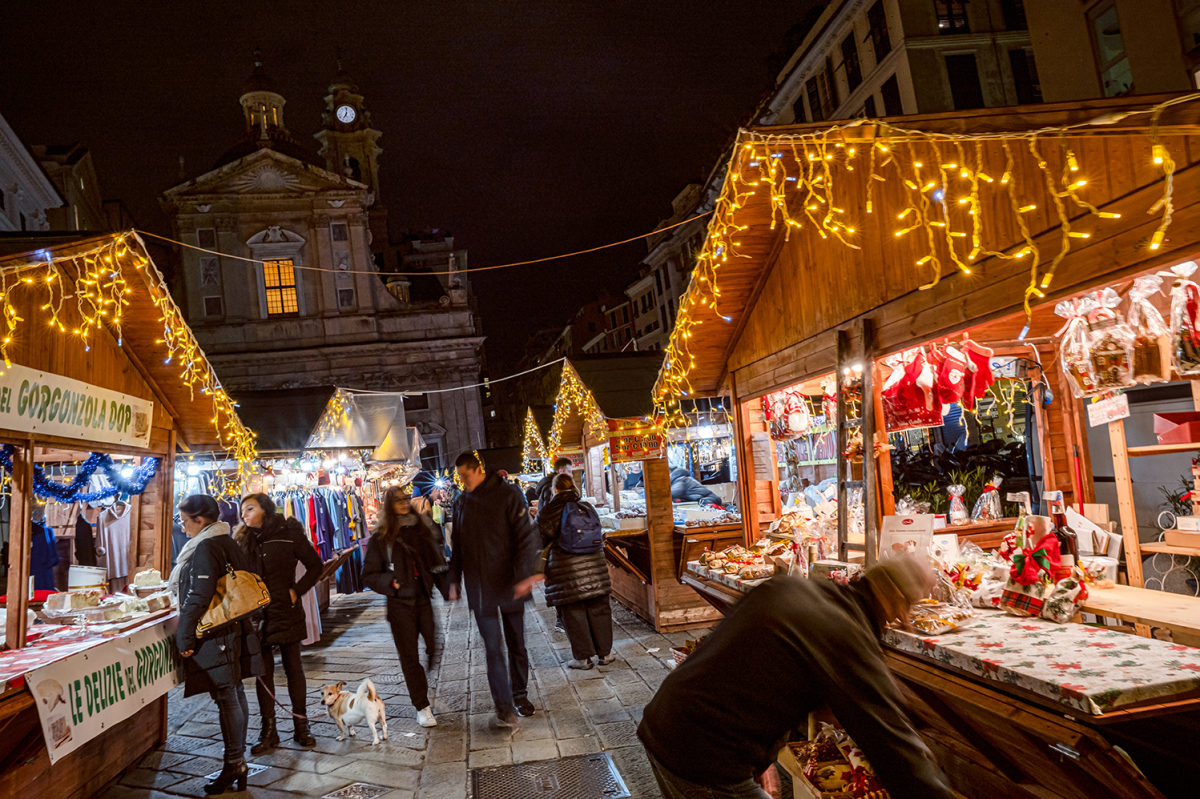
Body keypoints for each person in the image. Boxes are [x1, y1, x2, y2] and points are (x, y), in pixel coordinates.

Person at [638, 555, 955, 799]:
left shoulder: (792, 587)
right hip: (702, 754)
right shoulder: (846, 635)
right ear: (897, 604)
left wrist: (761, 760)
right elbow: (893, 744)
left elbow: (741, 666)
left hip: (669, 718)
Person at [172, 494, 263, 795]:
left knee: (227, 695)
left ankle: (234, 762)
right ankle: (239, 761)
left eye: (185, 521)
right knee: (235, 691)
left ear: (200, 519)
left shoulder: (206, 546)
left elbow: (199, 595)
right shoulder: (227, 540)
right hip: (233, 629)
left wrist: (184, 635)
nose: (183, 527)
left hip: (216, 633)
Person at [447, 451, 542, 729]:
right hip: (480, 588)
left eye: (465, 476)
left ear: (479, 470)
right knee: (492, 648)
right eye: (460, 477)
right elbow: (458, 546)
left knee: (516, 644)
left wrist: (525, 576)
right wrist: (453, 579)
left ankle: (519, 694)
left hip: (510, 582)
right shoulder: (462, 501)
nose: (462, 481)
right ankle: (504, 708)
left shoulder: (508, 494)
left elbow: (525, 536)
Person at [235, 493, 323, 751]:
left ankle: (301, 725)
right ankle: (269, 730)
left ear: (265, 509)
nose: (244, 515)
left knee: (293, 667)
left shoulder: (289, 533)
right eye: (243, 511)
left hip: (286, 610)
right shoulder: (242, 540)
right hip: (257, 614)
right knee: (263, 673)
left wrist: (296, 591)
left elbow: (315, 565)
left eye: (250, 509)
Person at [362, 484, 444, 727]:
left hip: (422, 597)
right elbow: (368, 575)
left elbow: (434, 561)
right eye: (397, 500)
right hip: (400, 604)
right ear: (389, 505)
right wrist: (392, 583)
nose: (403, 502)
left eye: (405, 498)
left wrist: (445, 584)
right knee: (409, 657)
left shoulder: (420, 529)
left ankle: (422, 682)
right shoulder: (382, 537)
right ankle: (422, 706)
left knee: (431, 644)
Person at [537, 473, 613, 670]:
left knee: (573, 612)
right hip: (595, 567)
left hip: (566, 571)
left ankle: (583, 658)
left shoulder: (549, 510)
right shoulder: (588, 507)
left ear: (555, 490)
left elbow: (537, 539)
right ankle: (605, 653)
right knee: (599, 608)